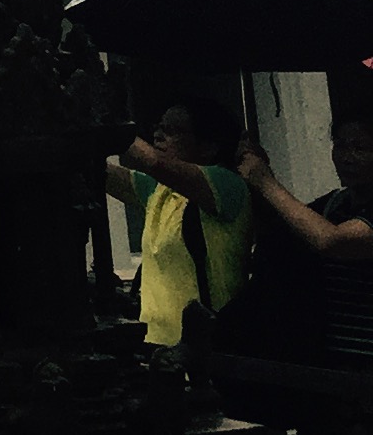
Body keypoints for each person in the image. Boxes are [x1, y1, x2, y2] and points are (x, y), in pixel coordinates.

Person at [104, 95, 254, 348]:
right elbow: (102, 175)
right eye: (159, 127)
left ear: (208, 147)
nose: (158, 136)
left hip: (209, 351)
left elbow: (154, 162)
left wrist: (111, 124)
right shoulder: (159, 189)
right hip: (157, 346)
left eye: (172, 131)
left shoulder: (227, 183)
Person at [236, 108, 373, 365]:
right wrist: (260, 176)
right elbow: (291, 229)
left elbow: (331, 240)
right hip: (330, 356)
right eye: (340, 145)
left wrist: (266, 182)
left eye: (360, 148)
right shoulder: (335, 204)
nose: (347, 157)